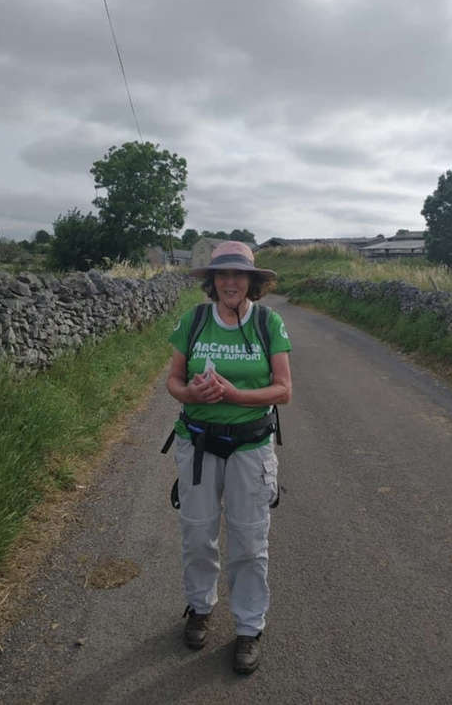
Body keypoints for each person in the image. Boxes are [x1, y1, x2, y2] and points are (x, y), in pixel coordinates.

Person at [166, 241, 292, 674]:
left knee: (249, 542)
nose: (231, 282)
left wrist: (237, 396)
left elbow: (283, 390)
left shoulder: (269, 322)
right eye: (223, 275)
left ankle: (248, 628)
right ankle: (200, 608)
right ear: (212, 281)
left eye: (240, 275)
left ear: (252, 282)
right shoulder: (194, 320)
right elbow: (173, 381)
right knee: (198, 535)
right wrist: (190, 393)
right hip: (197, 443)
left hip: (251, 448)